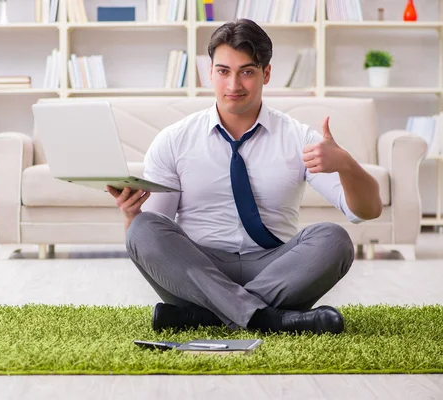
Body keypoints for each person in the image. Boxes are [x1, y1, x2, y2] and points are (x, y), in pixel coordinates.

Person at [107, 19, 382, 335]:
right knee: (142, 228)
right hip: (200, 270)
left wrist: (346, 164)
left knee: (335, 239)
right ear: (210, 72)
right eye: (223, 71)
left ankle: (206, 317)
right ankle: (270, 319)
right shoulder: (174, 140)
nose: (233, 85)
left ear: (266, 73)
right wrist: (131, 215)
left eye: (247, 72)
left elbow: (367, 211)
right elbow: (155, 243)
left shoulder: (298, 138)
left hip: (277, 270)